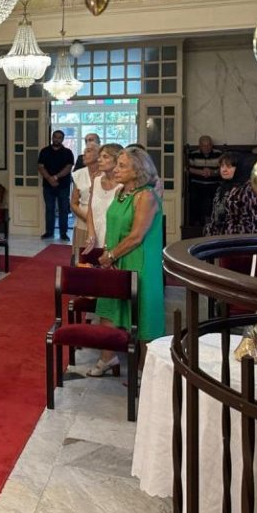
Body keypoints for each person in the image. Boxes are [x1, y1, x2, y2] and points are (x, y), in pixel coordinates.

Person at [89, 147, 165, 376]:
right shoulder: (121, 191)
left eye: (122, 166)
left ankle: (145, 368)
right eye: (117, 164)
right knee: (109, 308)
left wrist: (111, 255)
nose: (116, 169)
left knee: (143, 314)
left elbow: (136, 236)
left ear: (138, 171)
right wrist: (109, 255)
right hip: (116, 258)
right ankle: (108, 357)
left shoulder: (147, 195)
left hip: (139, 262)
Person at [204, 152, 257, 236]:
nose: (224, 170)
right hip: (219, 240)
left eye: (229, 166)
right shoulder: (222, 187)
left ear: (240, 168)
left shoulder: (249, 188)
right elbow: (215, 217)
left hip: (240, 241)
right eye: (222, 166)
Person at [84, 143, 124, 257]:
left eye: (105, 157)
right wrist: (91, 233)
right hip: (94, 238)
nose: (99, 160)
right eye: (100, 156)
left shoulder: (122, 186)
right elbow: (90, 210)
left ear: (117, 160)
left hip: (115, 240)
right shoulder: (96, 181)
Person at [38, 130, 75, 239]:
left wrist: (56, 177)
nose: (57, 139)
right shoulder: (44, 151)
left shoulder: (68, 152)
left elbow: (69, 167)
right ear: (52, 137)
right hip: (48, 185)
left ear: (62, 139)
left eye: (59, 137)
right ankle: (49, 232)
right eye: (55, 137)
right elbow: (40, 166)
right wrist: (49, 178)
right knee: (50, 209)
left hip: (63, 185)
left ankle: (63, 233)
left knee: (64, 209)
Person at [70, 143, 99, 262]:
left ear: (99, 155)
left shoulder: (108, 173)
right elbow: (73, 203)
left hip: (102, 220)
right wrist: (87, 218)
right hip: (82, 220)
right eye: (84, 151)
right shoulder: (79, 174)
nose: (84, 154)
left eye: (89, 151)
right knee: (81, 259)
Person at [187, 135, 221, 228]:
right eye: (204, 145)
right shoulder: (193, 154)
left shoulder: (219, 154)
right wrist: (201, 172)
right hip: (197, 183)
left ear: (212, 145)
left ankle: (212, 221)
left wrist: (212, 172)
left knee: (213, 197)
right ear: (200, 146)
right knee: (194, 197)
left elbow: (222, 169)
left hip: (213, 183)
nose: (207, 147)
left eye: (209, 145)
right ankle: (197, 223)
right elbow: (188, 168)